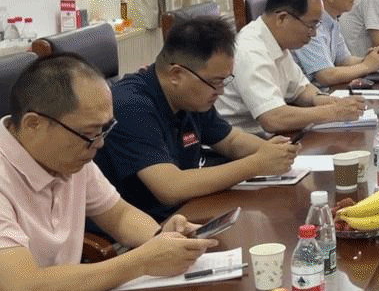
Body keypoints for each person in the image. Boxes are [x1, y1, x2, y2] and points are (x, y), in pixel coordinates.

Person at [0, 54, 215, 291]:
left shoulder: (70, 156)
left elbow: (119, 215)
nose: (99, 144)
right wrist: (141, 261)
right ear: (33, 124)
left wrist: (163, 238)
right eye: (90, 134)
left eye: (104, 130)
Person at [96, 18, 301, 222]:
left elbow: (231, 141)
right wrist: (256, 164)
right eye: (215, 82)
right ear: (176, 74)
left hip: (186, 211)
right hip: (146, 226)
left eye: (224, 81)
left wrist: (276, 151)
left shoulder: (190, 96)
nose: (220, 91)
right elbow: (170, 188)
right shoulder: (130, 106)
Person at [215, 0, 365, 135]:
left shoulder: (277, 41)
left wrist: (324, 99)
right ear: (282, 18)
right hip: (242, 143)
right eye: (310, 25)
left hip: (270, 138)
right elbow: (273, 118)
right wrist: (333, 112)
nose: (313, 33)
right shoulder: (250, 50)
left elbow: (300, 89)